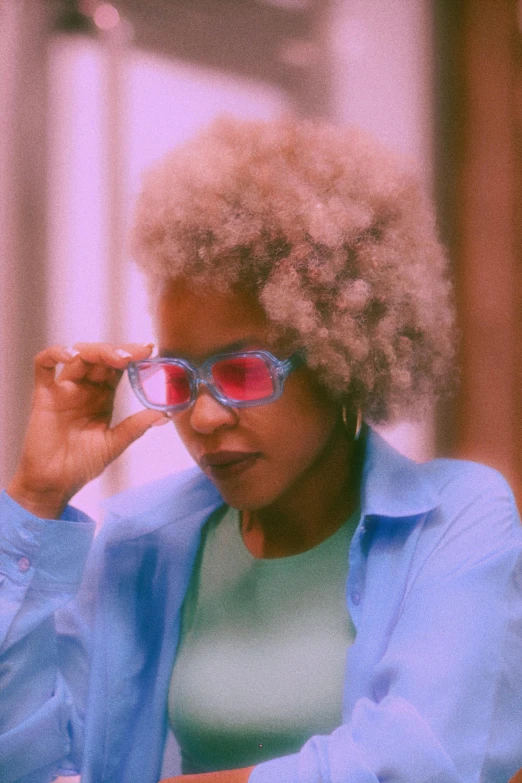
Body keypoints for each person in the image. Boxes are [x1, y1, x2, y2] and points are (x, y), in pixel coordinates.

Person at [1, 116, 521, 783]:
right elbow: (20, 762)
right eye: (179, 377)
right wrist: (36, 498)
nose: (206, 417)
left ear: (340, 356)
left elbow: (417, 763)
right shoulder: (140, 543)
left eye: (243, 371)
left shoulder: (457, 521)